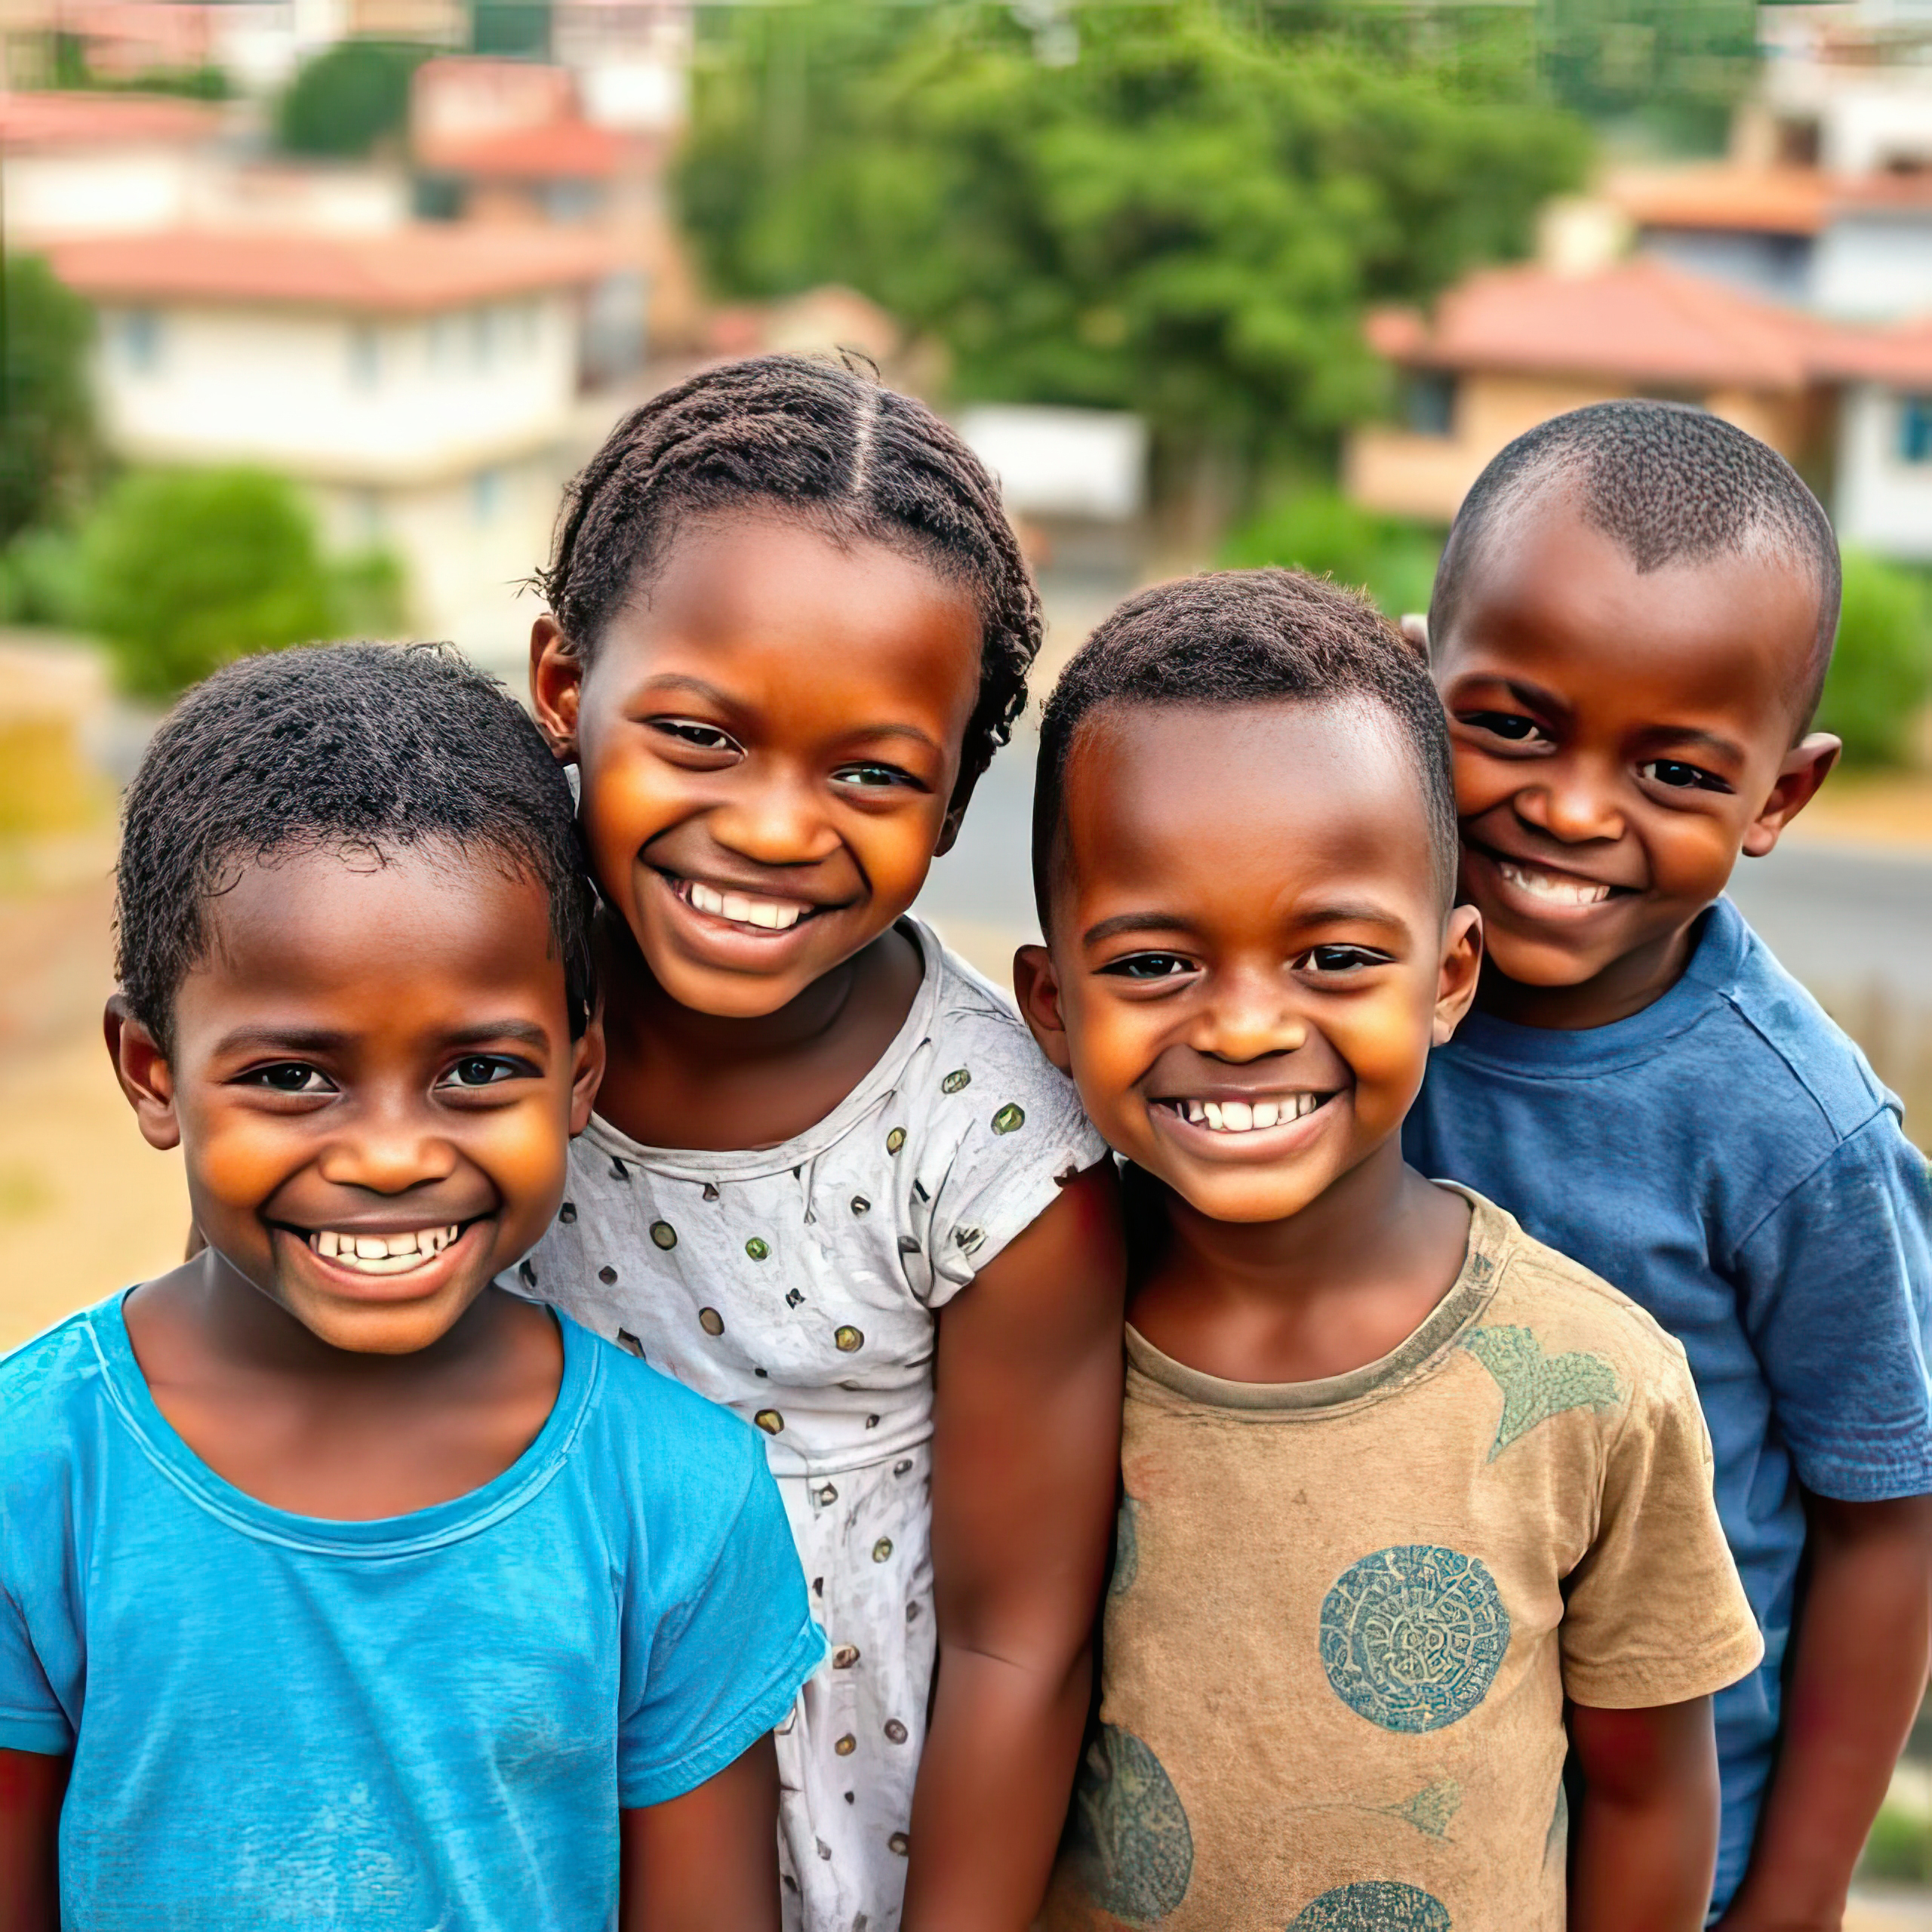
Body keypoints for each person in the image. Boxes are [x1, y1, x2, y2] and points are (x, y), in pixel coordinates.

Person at [0, 644, 824, 1932]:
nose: (390, 1155)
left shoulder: (677, 1501)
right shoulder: (34, 1472)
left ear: (579, 1072)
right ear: (152, 1073)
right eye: (292, 1077)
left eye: (478, 1072)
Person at [1017, 570, 1764, 1930]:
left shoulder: (1597, 1385)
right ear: (1050, 1003)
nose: (1245, 1027)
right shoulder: (1026, 1329)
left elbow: (1652, 1799)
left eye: (1337, 957)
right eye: (1153, 966)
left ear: (1451, 977)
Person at [521, 354, 1127, 1932]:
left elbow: (1017, 1637)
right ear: (562, 684)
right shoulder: (466, 1026)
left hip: (832, 1833)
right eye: (702, 733)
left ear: (949, 802)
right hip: (506, 1764)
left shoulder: (993, 1157)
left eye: (868, 771)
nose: (777, 827)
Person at [1403, 401, 1932, 1927]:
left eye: (1676, 771)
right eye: (1508, 723)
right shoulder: (1326, 994)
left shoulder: (1797, 1133)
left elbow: (1881, 1525)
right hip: (1360, 1825)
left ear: (1779, 795)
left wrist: (1793, 1898)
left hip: (1647, 1875)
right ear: (1402, 678)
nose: (1570, 806)